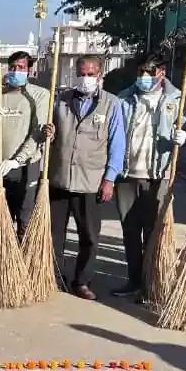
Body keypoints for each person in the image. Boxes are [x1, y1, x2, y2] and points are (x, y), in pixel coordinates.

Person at [44, 55, 127, 300]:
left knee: (89, 236)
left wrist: (110, 178)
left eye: (91, 74)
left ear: (99, 76)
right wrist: (48, 134)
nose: (85, 78)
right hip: (60, 178)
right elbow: (53, 134)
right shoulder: (61, 100)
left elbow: (117, 144)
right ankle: (54, 276)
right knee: (54, 234)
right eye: (82, 73)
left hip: (90, 180)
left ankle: (82, 281)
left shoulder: (111, 104)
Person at [111, 54, 186, 299]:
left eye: (149, 72)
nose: (143, 77)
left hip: (157, 174)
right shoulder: (125, 98)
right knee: (130, 230)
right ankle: (134, 279)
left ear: (161, 73)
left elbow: (183, 126)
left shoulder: (176, 98)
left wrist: (181, 137)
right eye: (140, 72)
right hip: (128, 173)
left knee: (155, 230)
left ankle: (151, 282)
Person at [0, 51, 49, 264]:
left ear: (29, 70)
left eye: (21, 68)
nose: (15, 71)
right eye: (12, 67)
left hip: (24, 166)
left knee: (23, 217)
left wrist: (18, 160)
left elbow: (38, 132)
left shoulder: (40, 95)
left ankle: (23, 266)